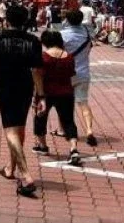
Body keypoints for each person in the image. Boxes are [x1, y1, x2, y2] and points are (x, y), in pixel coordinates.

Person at [0, 4, 45, 197]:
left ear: (7, 19)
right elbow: (36, 70)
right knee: (19, 127)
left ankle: (26, 175)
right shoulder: (33, 40)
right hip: (25, 86)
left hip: (4, 85)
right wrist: (41, 94)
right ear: (26, 20)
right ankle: (11, 168)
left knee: (10, 129)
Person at [32, 31, 82, 166]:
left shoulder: (44, 57)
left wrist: (39, 94)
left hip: (46, 93)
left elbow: (37, 73)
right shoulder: (69, 57)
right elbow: (71, 74)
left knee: (40, 118)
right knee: (68, 121)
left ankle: (42, 146)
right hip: (66, 92)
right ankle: (73, 148)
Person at [61, 9, 99, 147]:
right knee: (83, 103)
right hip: (83, 72)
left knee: (64, 103)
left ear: (68, 20)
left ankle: (64, 129)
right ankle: (89, 130)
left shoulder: (62, 35)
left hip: (66, 73)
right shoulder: (87, 36)